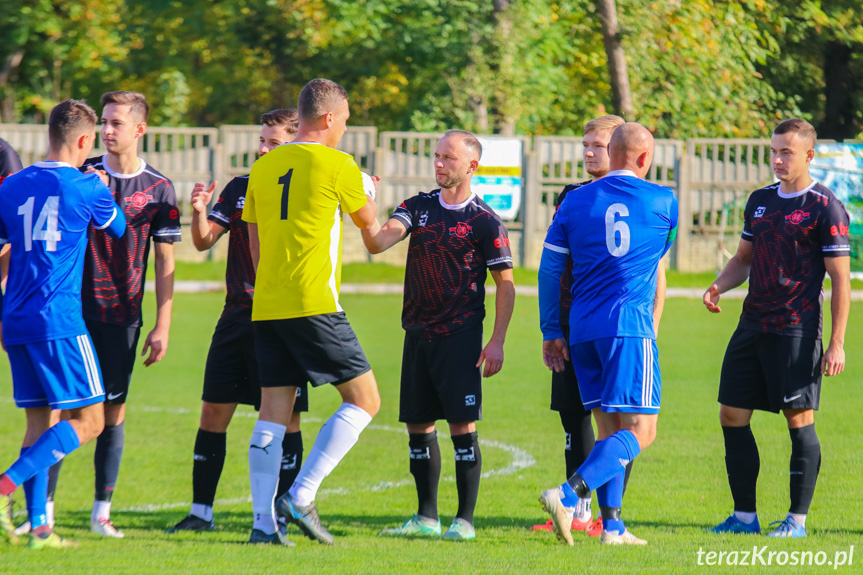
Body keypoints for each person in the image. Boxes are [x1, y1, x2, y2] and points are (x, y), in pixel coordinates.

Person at [243, 78, 380, 546]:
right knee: (365, 400)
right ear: (327, 119)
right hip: (315, 304)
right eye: (344, 120)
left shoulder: (263, 165)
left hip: (268, 304)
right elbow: (372, 231)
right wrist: (380, 202)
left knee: (271, 414)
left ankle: (263, 525)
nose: (345, 128)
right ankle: (300, 496)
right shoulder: (338, 164)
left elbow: (254, 240)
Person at [364, 130, 516, 541]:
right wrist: (364, 209)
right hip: (417, 334)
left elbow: (506, 284)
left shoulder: (484, 221)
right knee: (418, 425)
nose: (439, 164)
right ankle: (426, 518)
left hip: (461, 338)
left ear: (472, 165)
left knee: (462, 427)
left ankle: (464, 521)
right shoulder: (418, 206)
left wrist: (496, 340)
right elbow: (379, 241)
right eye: (436, 156)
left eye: (448, 158)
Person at [704, 119, 850, 538]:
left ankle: (796, 521)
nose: (777, 159)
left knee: (798, 418)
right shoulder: (761, 200)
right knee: (731, 414)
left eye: (786, 152)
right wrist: (719, 284)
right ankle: (744, 517)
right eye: (774, 151)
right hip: (752, 324)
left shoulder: (825, 207)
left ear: (809, 155)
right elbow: (744, 258)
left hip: (796, 330)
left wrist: (836, 343)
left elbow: (841, 281)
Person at [167, 109, 309, 534]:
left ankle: (279, 514)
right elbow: (204, 239)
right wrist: (198, 210)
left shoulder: (301, 190)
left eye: (274, 143)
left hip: (282, 320)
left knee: (289, 420)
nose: (264, 149)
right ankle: (201, 513)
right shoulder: (241, 187)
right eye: (261, 141)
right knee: (213, 411)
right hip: (235, 317)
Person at [48, 91, 182, 538]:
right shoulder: (83, 176)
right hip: (73, 312)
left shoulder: (160, 188)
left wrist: (162, 324)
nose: (106, 130)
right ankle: (43, 509)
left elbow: (165, 262)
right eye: (103, 122)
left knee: (112, 412)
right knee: (63, 411)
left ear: (140, 129)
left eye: (116, 123)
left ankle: (100, 511)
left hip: (124, 315)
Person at [538, 122, 678, 546]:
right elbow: (656, 259)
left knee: (607, 429)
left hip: (581, 330)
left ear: (611, 152)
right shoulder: (663, 200)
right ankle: (566, 495)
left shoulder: (574, 202)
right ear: (643, 158)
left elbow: (548, 269)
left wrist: (550, 329)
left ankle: (612, 527)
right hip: (629, 328)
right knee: (642, 431)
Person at [0, 99, 126, 549]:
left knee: (38, 426)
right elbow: (119, 230)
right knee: (91, 420)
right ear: (84, 141)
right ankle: (4, 487)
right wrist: (103, 186)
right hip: (60, 320)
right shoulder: (88, 187)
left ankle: (39, 529)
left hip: (15, 320)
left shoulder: (11, 186)